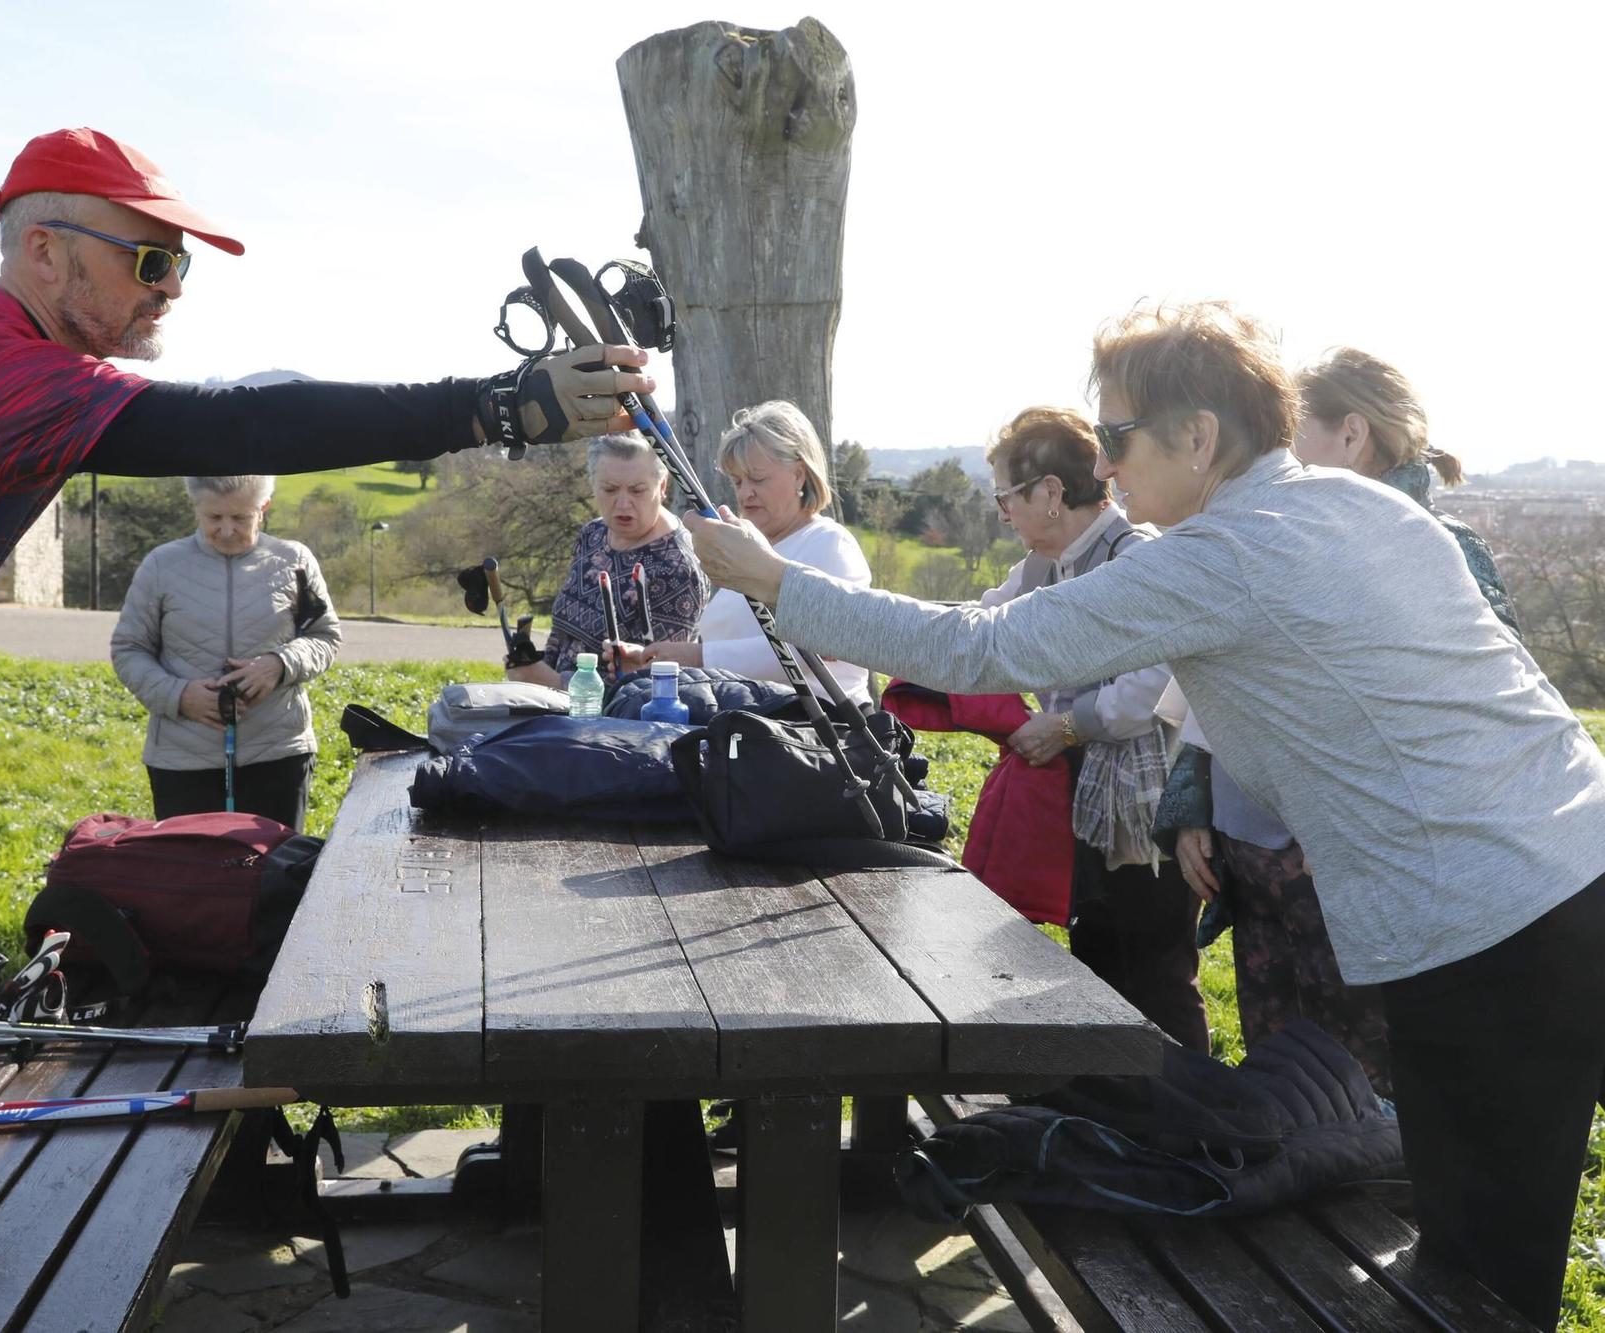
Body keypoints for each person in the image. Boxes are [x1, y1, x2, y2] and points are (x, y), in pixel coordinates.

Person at [0, 126, 649, 1308]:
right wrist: (490, 404)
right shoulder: (16, 373)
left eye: (181, 265)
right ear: (45, 252)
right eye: (149, 261)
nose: (170, 289)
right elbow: (245, 422)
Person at [686, 300, 1605, 1330]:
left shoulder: (1223, 552)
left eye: (1117, 436)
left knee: (1480, 1277)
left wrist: (775, 580)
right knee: (1488, 1251)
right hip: (1570, 868)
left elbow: (979, 652)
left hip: (1489, 929)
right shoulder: (1366, 509)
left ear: (1198, 435)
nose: (1107, 466)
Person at [1165, 347, 1521, 1096]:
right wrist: (1192, 797)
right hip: (1257, 856)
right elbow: (1220, 678)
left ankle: (1369, 1215)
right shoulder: (1277, 537)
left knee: (1367, 1092)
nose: (1274, 458)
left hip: (1359, 871)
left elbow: (1480, 713)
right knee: (1282, 1074)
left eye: (1293, 436)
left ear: (1352, 434)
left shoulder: (1440, 547)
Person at [972, 407, 1204, 1052]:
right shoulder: (1044, 566)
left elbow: (1150, 692)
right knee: (1098, 951)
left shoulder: (1138, 560)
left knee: (1156, 969)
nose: (1002, 515)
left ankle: (1187, 1130)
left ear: (1049, 493)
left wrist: (1067, 726)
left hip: (1150, 804)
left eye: (1005, 497)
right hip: (1090, 790)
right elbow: (977, 626)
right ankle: (1118, 1118)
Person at [112, 474, 340, 829]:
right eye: (214, 518)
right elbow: (129, 649)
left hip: (277, 752)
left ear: (263, 508)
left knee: (273, 875)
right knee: (194, 877)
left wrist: (279, 664)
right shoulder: (162, 565)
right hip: (183, 758)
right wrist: (180, 695)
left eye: (241, 518)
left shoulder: (294, 560)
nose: (227, 530)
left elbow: (324, 636)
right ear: (196, 508)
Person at [614, 400, 872, 703]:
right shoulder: (749, 550)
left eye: (757, 479)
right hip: (748, 725)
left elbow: (807, 653)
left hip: (817, 735)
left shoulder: (830, 544)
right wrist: (655, 660)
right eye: (737, 481)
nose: (745, 492)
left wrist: (696, 657)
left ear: (799, 474)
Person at [506, 432, 707, 687]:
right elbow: (562, 632)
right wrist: (531, 670)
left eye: (637, 490)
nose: (623, 504)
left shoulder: (677, 569)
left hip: (611, 721)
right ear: (592, 485)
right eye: (610, 489)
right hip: (550, 705)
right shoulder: (593, 534)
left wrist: (554, 683)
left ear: (663, 486)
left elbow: (657, 689)